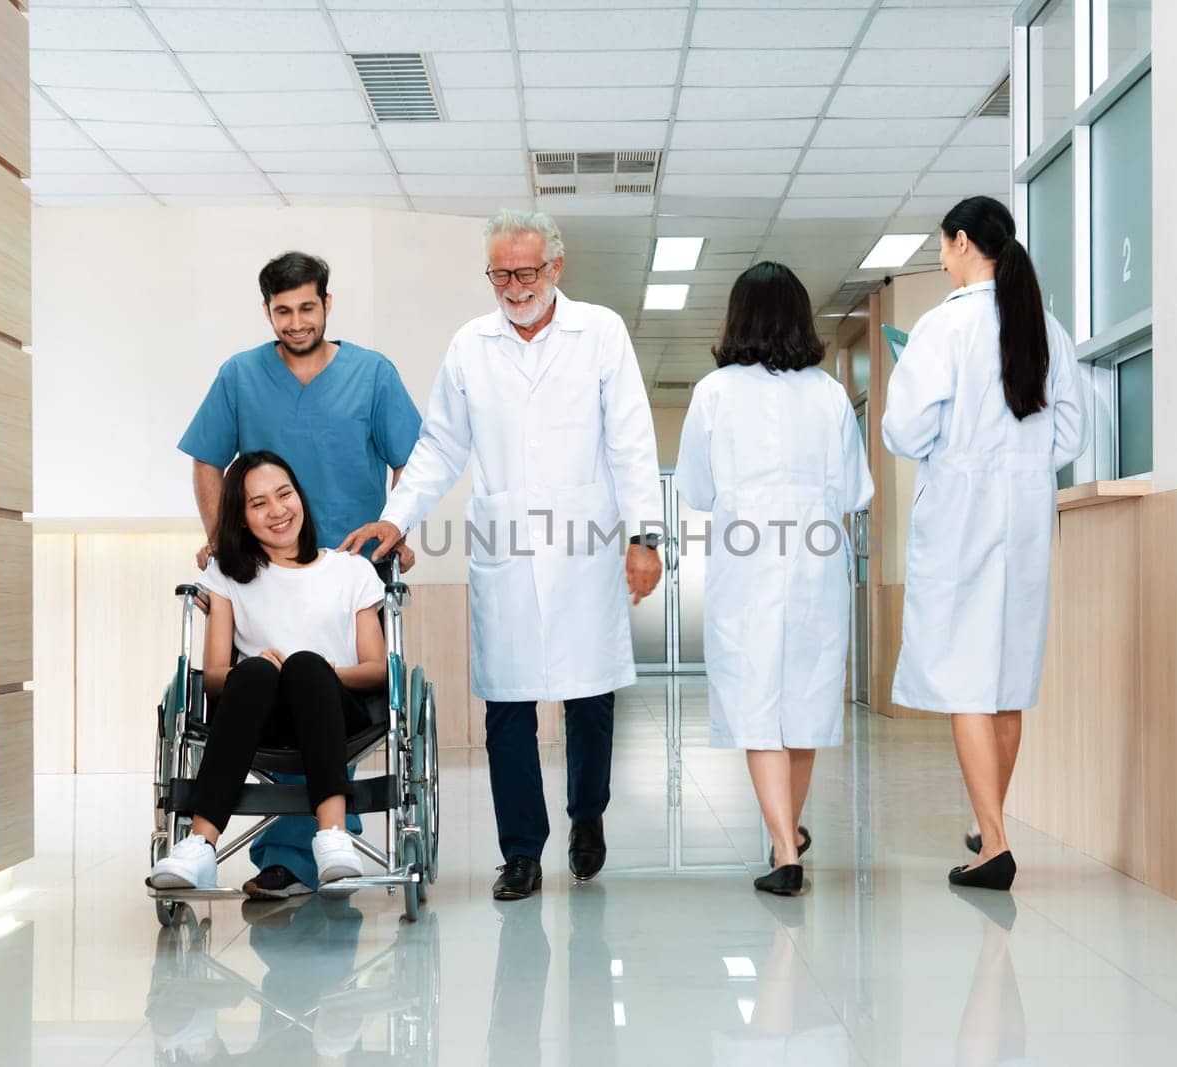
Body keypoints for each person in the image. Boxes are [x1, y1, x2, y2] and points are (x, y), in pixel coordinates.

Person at [368, 209, 662, 901]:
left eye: (526, 271)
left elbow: (630, 440)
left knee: (590, 698)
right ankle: (522, 851)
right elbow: (440, 446)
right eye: (500, 273)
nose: (513, 285)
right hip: (506, 546)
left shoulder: (601, 333)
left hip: (585, 545)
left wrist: (646, 536)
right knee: (508, 703)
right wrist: (394, 517)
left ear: (556, 267)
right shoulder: (471, 345)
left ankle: (587, 815)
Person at [178, 251, 421, 900]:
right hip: (261, 575)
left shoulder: (371, 375)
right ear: (267, 312)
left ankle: (307, 851)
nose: (295, 321)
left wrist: (395, 527)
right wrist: (221, 543)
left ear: (327, 304)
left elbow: (413, 461)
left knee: (317, 676)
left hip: (347, 567)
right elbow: (206, 460)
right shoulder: (241, 375)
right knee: (263, 679)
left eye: (307, 307)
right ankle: (292, 852)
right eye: (282, 311)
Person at [882, 196, 1088, 892]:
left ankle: (994, 840)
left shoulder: (943, 327)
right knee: (1005, 684)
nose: (940, 259)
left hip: (963, 512)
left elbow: (906, 433)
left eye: (942, 246)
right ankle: (987, 821)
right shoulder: (1045, 325)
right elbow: (1070, 432)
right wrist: (1020, 463)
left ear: (964, 241)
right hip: (1026, 512)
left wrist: (961, 449)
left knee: (968, 679)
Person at [674, 262, 873, 897]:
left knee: (757, 700)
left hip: (746, 558)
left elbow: (697, 491)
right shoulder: (830, 394)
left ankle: (785, 848)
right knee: (806, 701)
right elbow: (853, 489)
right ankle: (787, 833)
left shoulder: (714, 392)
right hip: (817, 557)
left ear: (738, 318)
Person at [146, 451, 387, 894]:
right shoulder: (228, 576)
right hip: (260, 715)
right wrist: (258, 668)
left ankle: (332, 838)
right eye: (258, 504)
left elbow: (377, 671)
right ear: (240, 518)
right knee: (256, 671)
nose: (277, 511)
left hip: (336, 708)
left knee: (306, 666)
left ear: (300, 497)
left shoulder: (351, 571)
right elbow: (215, 676)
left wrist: (327, 670)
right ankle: (199, 847)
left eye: (284, 495)